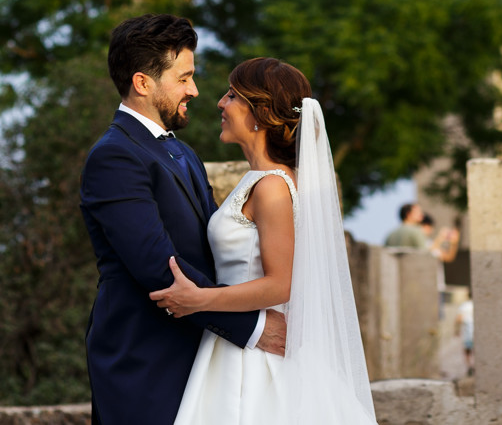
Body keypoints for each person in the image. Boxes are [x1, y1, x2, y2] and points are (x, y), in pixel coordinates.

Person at [79, 15, 286, 425]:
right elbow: (158, 268)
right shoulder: (115, 156)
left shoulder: (182, 153)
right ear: (143, 83)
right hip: (146, 360)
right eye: (183, 77)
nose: (194, 89)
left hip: (203, 353)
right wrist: (253, 327)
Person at [149, 57, 376, 424]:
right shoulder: (257, 179)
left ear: (262, 112)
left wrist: (199, 300)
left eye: (233, 96)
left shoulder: (272, 187)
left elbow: (280, 284)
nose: (221, 103)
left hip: (252, 361)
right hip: (230, 345)